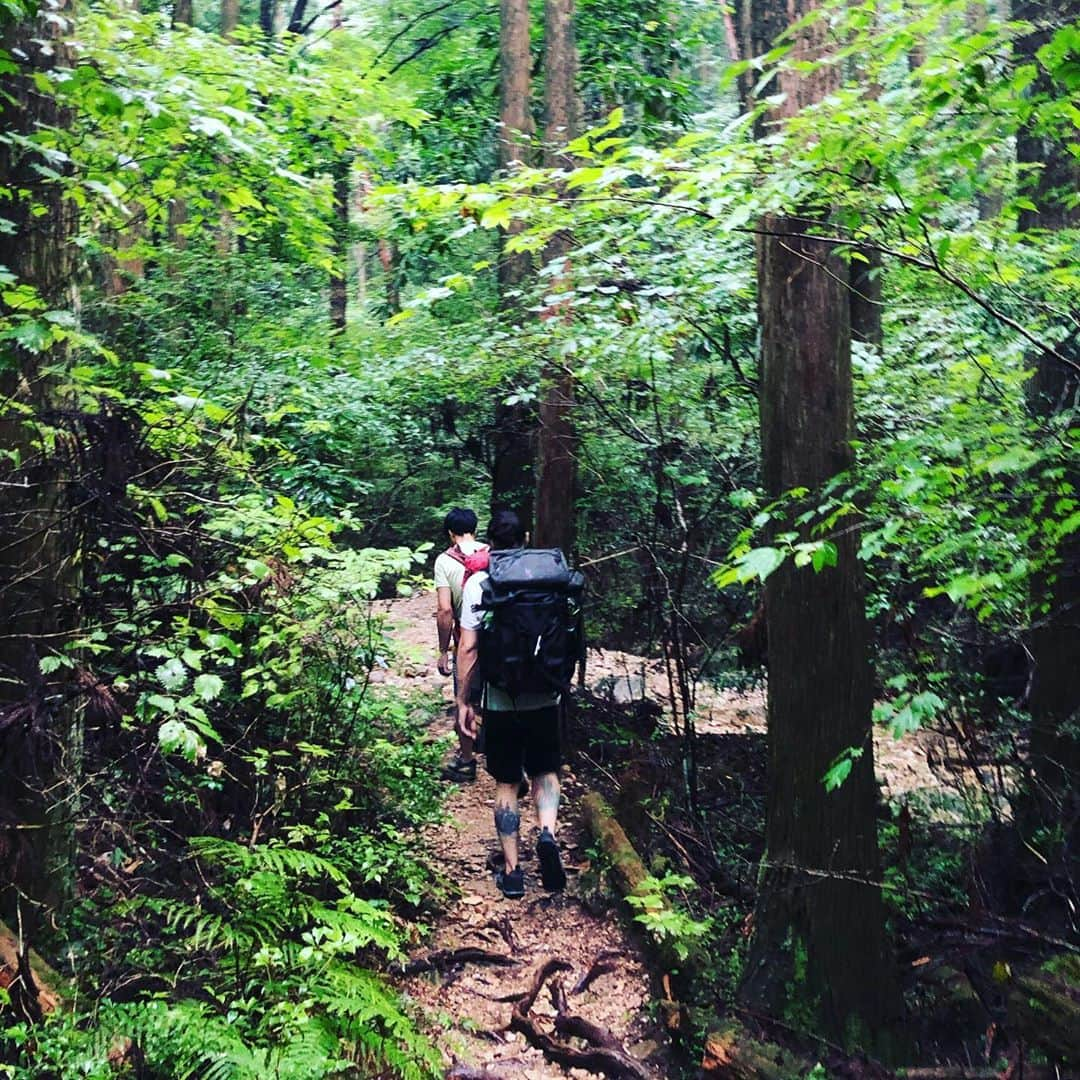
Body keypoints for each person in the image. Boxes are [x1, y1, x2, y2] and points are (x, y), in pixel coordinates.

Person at [455, 509, 567, 899]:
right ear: (526, 536)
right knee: (546, 771)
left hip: (502, 701)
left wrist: (464, 700)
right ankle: (548, 833)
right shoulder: (549, 577)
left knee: (506, 783)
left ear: (490, 543)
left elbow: (468, 648)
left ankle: (515, 871)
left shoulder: (479, 583)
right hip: (547, 694)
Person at [433, 507, 487, 781]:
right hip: (500, 641)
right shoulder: (492, 554)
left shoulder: (444, 561)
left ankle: (467, 761)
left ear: (451, 533)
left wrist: (443, 651)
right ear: (475, 529)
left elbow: (445, 611)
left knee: (464, 697)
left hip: (466, 640)